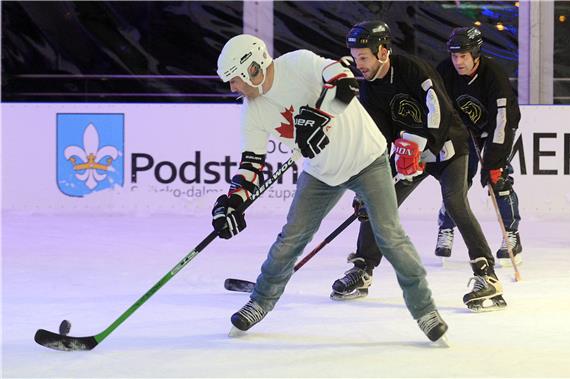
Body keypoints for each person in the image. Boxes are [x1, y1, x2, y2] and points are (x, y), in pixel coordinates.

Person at [213, 33, 448, 345]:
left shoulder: (297, 63)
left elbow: (345, 82)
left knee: (390, 236)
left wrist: (319, 117)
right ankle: (260, 301)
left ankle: (425, 310)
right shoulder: (252, 111)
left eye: (235, 79)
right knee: (290, 239)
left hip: (367, 159)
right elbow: (251, 162)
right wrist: (233, 200)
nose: (233, 88)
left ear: (253, 69)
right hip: (322, 173)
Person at [332, 21, 506, 312]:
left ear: (383, 51)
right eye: (355, 56)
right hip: (408, 156)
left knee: (455, 204)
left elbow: (438, 110)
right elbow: (377, 139)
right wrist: (367, 187)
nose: (358, 64)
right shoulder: (370, 90)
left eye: (364, 57)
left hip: (447, 149)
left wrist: (418, 145)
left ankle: (486, 274)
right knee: (377, 202)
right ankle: (362, 269)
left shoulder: (414, 69)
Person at [434, 27, 523, 268]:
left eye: (463, 56)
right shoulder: (444, 71)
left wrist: (493, 162)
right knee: (457, 180)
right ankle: (446, 228)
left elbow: (502, 121)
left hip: (498, 127)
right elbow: (436, 110)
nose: (458, 62)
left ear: (476, 54)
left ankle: (511, 235)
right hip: (464, 131)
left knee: (499, 179)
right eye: (454, 56)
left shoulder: (493, 74)